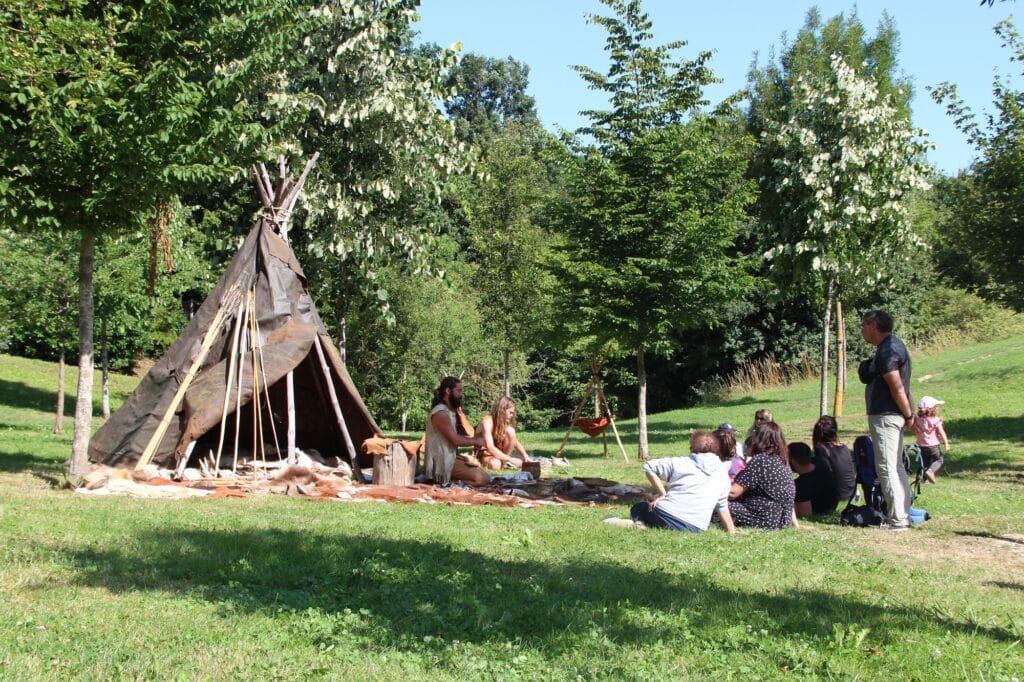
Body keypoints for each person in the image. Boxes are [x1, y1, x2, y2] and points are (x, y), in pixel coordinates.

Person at [606, 431, 736, 533]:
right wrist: (732, 532)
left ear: (692, 448)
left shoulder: (681, 462)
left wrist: (662, 494)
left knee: (639, 507)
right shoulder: (723, 473)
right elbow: (722, 507)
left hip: (665, 515)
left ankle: (638, 523)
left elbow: (649, 467)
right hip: (696, 528)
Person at [858, 309, 915, 531]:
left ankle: (898, 520)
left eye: (864, 325)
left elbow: (897, 386)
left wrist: (909, 414)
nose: (862, 330)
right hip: (893, 415)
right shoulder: (891, 346)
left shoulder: (888, 350)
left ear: (874, 325)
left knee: (887, 467)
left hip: (886, 416)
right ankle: (903, 515)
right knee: (896, 466)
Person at [728, 422, 797, 529]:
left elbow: (733, 492)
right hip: (783, 520)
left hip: (764, 517)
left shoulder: (760, 461)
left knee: (719, 506)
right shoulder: (783, 461)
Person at [423, 377, 484, 485]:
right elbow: (455, 440)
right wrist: (476, 441)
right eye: (459, 391)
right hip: (441, 462)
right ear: (448, 391)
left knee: (482, 473)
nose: (461, 395)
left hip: (450, 458)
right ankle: (448, 482)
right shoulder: (440, 413)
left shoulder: (449, 410)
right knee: (482, 478)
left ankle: (451, 481)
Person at [475, 397, 533, 470]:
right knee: (495, 465)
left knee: (511, 431)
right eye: (510, 412)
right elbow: (490, 448)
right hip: (484, 454)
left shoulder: (503, 422)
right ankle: (504, 462)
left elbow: (515, 441)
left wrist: (525, 456)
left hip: (498, 454)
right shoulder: (486, 422)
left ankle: (504, 462)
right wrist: (510, 459)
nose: (512, 415)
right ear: (502, 410)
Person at [812, 415, 856, 503]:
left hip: (837, 495)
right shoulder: (844, 447)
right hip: (851, 492)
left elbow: (824, 475)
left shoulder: (821, 449)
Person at [789, 441, 838, 517]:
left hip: (821, 509)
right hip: (833, 504)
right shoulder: (819, 462)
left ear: (793, 462)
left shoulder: (802, 484)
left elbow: (805, 514)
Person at [911, 395, 951, 484]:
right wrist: (946, 443)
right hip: (933, 446)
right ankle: (931, 471)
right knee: (939, 460)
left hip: (921, 446)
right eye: (936, 407)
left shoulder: (917, 420)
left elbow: (912, 427)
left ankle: (921, 478)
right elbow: (941, 432)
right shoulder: (936, 420)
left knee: (925, 462)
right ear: (933, 409)